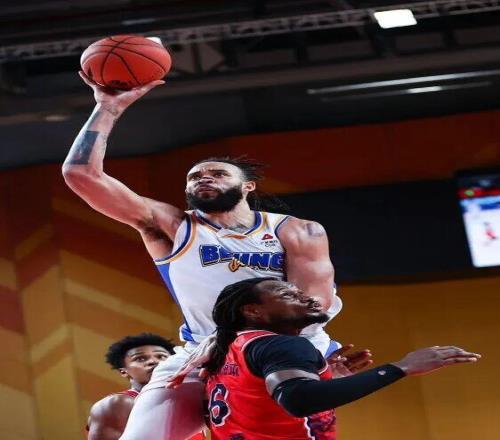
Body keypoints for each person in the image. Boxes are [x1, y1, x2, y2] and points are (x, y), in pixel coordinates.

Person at [63, 72, 343, 440]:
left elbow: (312, 308)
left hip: (282, 348)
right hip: (200, 351)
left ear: (248, 186)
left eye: (217, 173)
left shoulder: (297, 230)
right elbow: (81, 174)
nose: (204, 179)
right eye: (194, 177)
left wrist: (230, 340)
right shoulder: (172, 226)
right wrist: (108, 107)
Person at [205, 277, 481, 440]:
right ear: (252, 311)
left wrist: (325, 380)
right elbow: (299, 400)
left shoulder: (228, 351)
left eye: (301, 292)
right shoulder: (282, 345)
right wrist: (402, 367)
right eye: (288, 294)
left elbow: (260, 407)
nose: (307, 298)